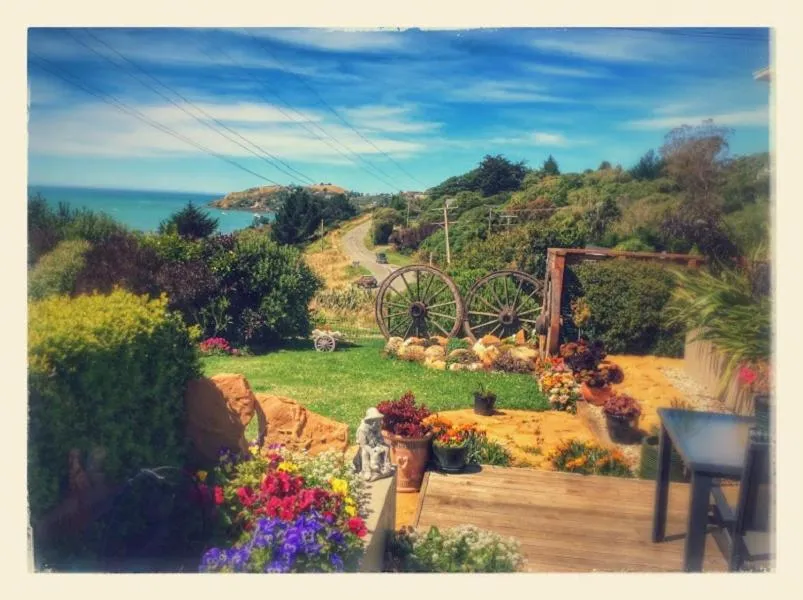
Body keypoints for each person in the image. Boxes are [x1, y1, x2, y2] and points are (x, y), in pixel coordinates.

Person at [354, 407, 393, 481]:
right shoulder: (362, 430)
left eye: (379, 421)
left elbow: (380, 439)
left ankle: (386, 467)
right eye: (377, 421)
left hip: (376, 445)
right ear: (371, 421)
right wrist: (372, 451)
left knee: (386, 447)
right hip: (366, 448)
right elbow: (363, 445)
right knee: (365, 453)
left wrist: (380, 445)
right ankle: (367, 471)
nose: (379, 423)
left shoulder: (377, 427)